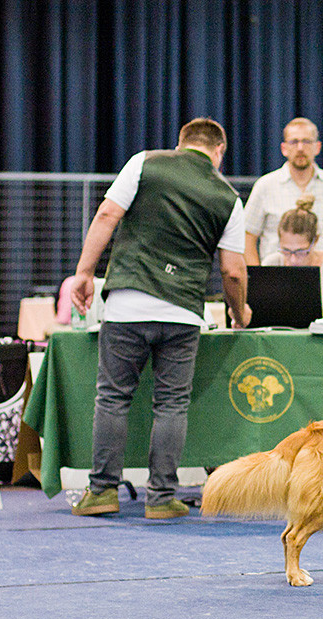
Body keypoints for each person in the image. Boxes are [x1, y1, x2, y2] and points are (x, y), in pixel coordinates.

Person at [69, 118, 251, 519]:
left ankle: (101, 492)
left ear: (181, 143)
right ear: (219, 152)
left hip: (127, 304)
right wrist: (241, 312)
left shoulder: (144, 163)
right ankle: (161, 498)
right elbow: (233, 272)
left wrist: (84, 272)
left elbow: (105, 216)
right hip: (183, 310)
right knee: (171, 404)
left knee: (113, 397)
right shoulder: (228, 197)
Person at [244, 117, 323, 273]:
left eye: (306, 142)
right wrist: (259, 278)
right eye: (294, 142)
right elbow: (247, 236)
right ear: (284, 148)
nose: (300, 148)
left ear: (317, 147)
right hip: (277, 281)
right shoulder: (265, 186)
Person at [261, 196, 323, 318]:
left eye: (301, 252)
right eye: (286, 251)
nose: (293, 259)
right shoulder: (272, 263)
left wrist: (317, 316)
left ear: (315, 241)